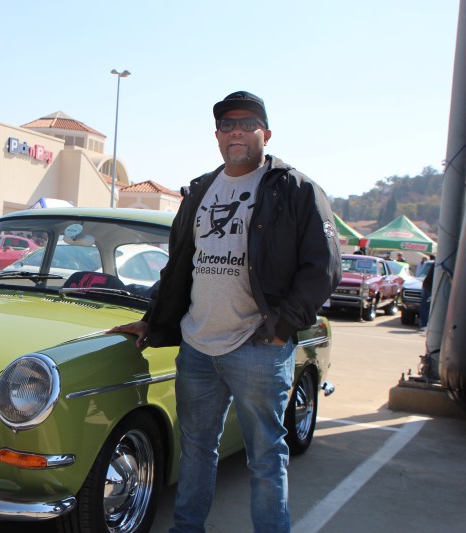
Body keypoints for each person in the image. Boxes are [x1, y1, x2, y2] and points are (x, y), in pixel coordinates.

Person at [108, 90, 341, 532]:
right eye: (227, 125)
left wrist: (280, 328)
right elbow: (181, 265)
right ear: (217, 136)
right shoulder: (200, 189)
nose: (237, 132)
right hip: (198, 347)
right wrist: (154, 319)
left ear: (266, 134)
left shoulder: (295, 189)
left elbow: (323, 268)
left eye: (247, 124)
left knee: (266, 457)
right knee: (196, 450)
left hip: (258, 348)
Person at [419, 254, 435, 333]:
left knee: (427, 306)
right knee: (426, 306)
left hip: (430, 286)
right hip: (429, 287)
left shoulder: (435, 264)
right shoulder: (436, 264)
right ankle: (424, 325)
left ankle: (425, 325)